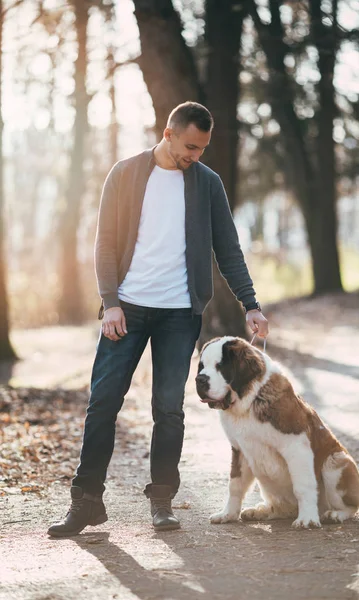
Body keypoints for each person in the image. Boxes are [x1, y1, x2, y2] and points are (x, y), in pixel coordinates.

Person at [48, 101, 269, 537]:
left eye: (202, 148)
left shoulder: (207, 184)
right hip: (125, 309)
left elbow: (228, 249)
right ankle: (86, 501)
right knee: (103, 403)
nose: (195, 155)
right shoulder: (126, 173)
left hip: (178, 314)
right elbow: (105, 243)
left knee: (168, 409)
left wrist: (251, 304)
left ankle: (162, 501)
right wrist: (110, 300)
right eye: (190, 146)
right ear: (168, 134)